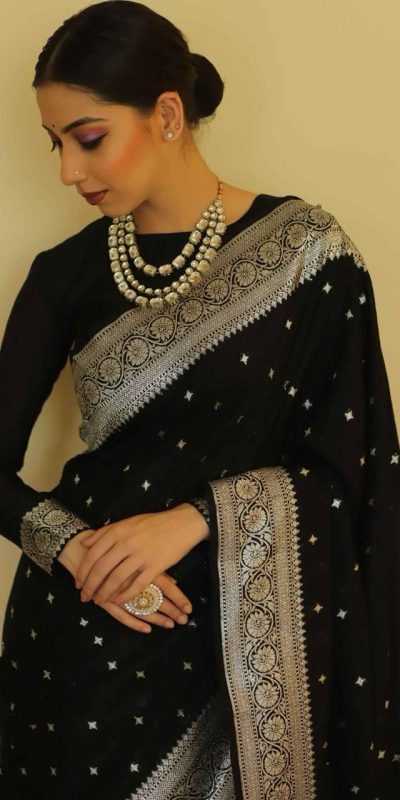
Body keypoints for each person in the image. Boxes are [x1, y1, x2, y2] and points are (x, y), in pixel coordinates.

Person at [0, 1, 399, 798]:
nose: (68, 172)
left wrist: (196, 517)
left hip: (253, 650)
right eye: (54, 144)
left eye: (88, 138)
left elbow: (358, 470)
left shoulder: (309, 257)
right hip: (87, 652)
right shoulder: (64, 275)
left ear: (167, 115)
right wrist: (75, 551)